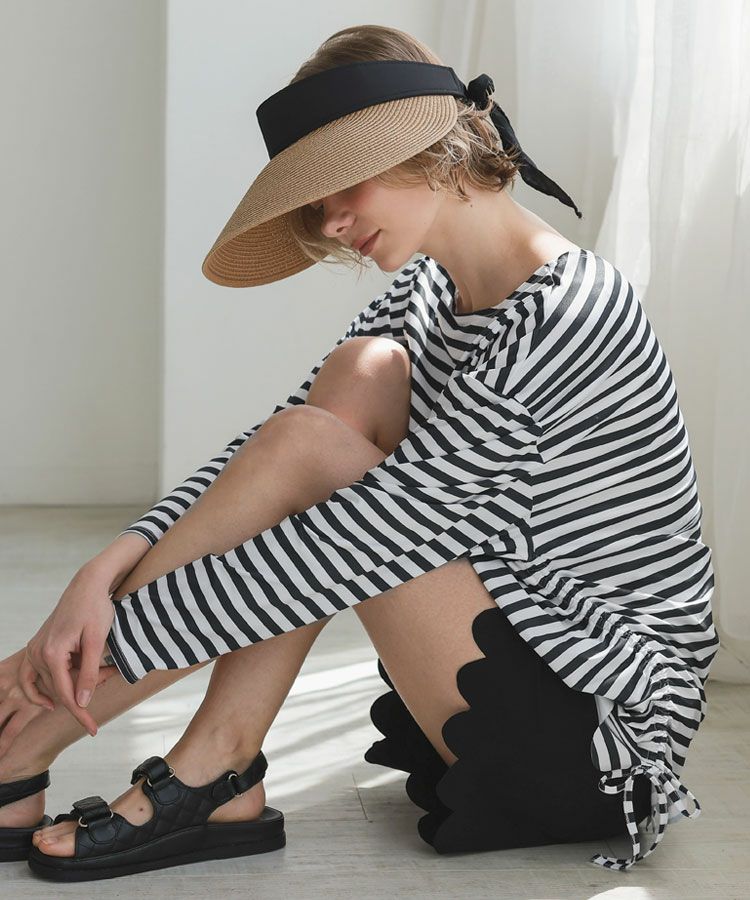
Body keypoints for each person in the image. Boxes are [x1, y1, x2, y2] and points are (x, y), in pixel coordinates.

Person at [0, 24, 718, 882]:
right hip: (500, 651)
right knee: (353, 378)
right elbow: (268, 456)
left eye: (344, 184)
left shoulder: (570, 314)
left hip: (594, 733)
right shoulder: (428, 291)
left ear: (427, 148)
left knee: (324, 488)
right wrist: (107, 564)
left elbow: (353, 541)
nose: (332, 224)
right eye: (315, 205)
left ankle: (25, 739)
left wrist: (50, 673)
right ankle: (213, 765)